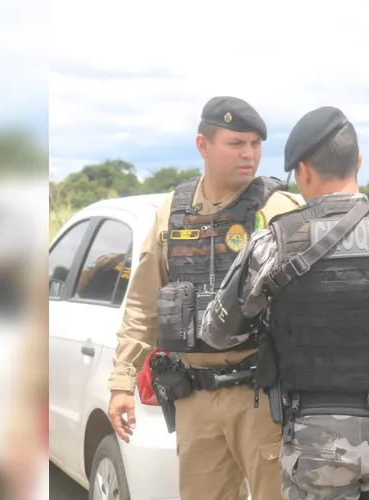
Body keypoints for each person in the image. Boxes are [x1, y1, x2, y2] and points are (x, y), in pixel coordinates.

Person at [198, 106, 369, 500]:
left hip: (315, 445)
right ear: (358, 162)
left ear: (303, 171)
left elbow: (217, 333)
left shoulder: (274, 242)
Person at [105, 96, 304, 500]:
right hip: (194, 398)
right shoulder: (171, 213)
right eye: (236, 143)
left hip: (261, 398)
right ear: (203, 146)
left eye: (255, 144)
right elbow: (144, 304)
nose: (249, 154)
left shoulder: (278, 208)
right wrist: (122, 382)